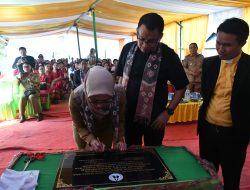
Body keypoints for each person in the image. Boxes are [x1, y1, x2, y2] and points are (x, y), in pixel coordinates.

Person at [115, 13, 189, 147]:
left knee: (153, 156)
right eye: (141, 39)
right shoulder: (127, 49)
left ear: (160, 36)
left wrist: (168, 113)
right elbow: (119, 77)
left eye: (151, 41)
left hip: (155, 119)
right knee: (132, 153)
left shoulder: (168, 55)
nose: (144, 45)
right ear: (137, 31)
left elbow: (181, 87)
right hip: (128, 116)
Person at [198, 18, 250, 190]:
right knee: (206, 177)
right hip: (208, 131)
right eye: (218, 43)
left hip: (234, 136)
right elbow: (206, 94)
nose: (220, 49)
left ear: (242, 43)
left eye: (227, 45)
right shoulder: (209, 63)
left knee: (231, 179)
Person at [69, 66, 127, 152]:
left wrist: (120, 139)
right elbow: (79, 126)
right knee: (85, 153)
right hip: (84, 126)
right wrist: (91, 140)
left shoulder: (119, 94)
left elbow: (120, 120)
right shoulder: (76, 98)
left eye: (106, 101)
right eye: (94, 101)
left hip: (107, 124)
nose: (99, 106)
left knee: (104, 152)